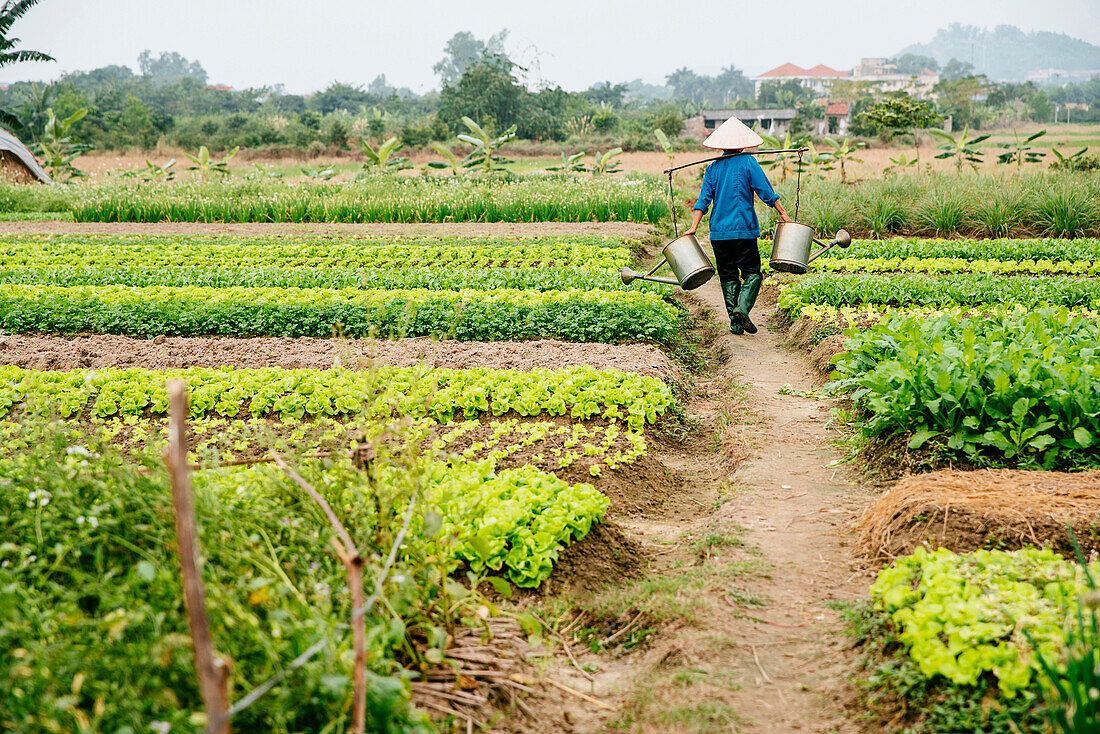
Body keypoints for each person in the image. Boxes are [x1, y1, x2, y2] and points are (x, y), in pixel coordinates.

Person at [685, 117, 791, 335]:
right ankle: (742, 309)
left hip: (719, 234)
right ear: (742, 144)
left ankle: (735, 323)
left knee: (728, 276)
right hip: (744, 230)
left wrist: (693, 227)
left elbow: (703, 201)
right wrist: (782, 212)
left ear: (721, 145)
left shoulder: (712, 169)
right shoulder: (748, 162)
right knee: (753, 273)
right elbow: (765, 191)